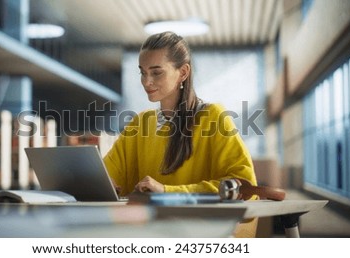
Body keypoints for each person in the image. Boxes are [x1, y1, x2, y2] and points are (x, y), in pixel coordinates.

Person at [103, 31, 258, 237]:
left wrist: (167, 193)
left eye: (156, 72)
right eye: (142, 72)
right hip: (152, 234)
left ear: (183, 72)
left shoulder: (214, 117)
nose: (146, 81)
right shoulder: (139, 124)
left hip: (201, 236)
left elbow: (245, 188)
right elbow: (109, 177)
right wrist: (102, 184)